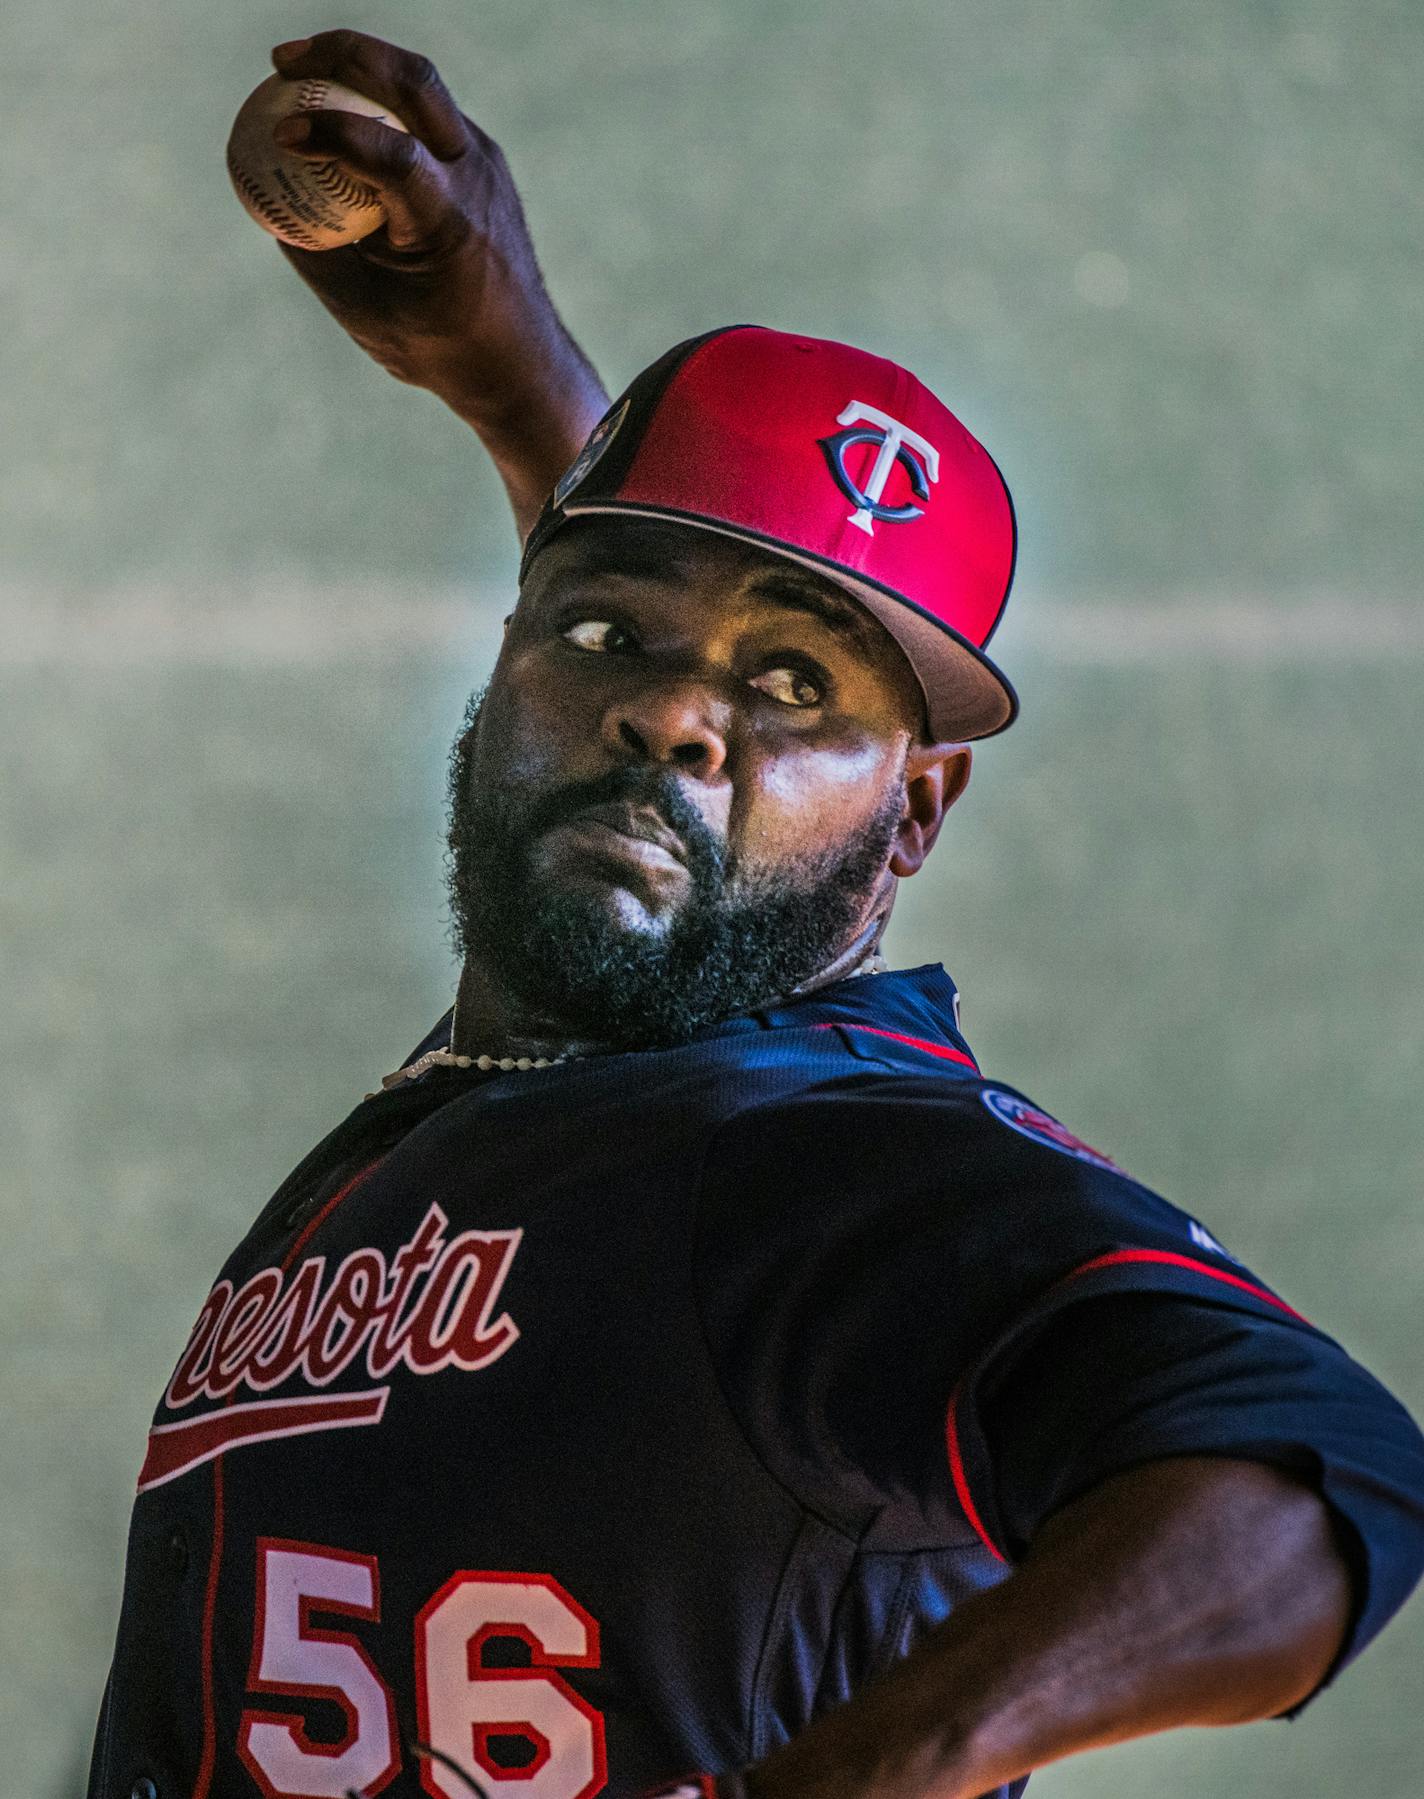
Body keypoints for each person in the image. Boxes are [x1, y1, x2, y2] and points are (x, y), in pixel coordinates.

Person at [88, 31, 1424, 1799]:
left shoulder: (815, 1167)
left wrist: (880, 1767)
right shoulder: (551, 1083)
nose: (678, 715)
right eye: (597, 640)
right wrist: (519, 388)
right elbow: (660, 695)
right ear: (497, 682)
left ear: (913, 816)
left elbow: (1310, 1473)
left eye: (800, 685)